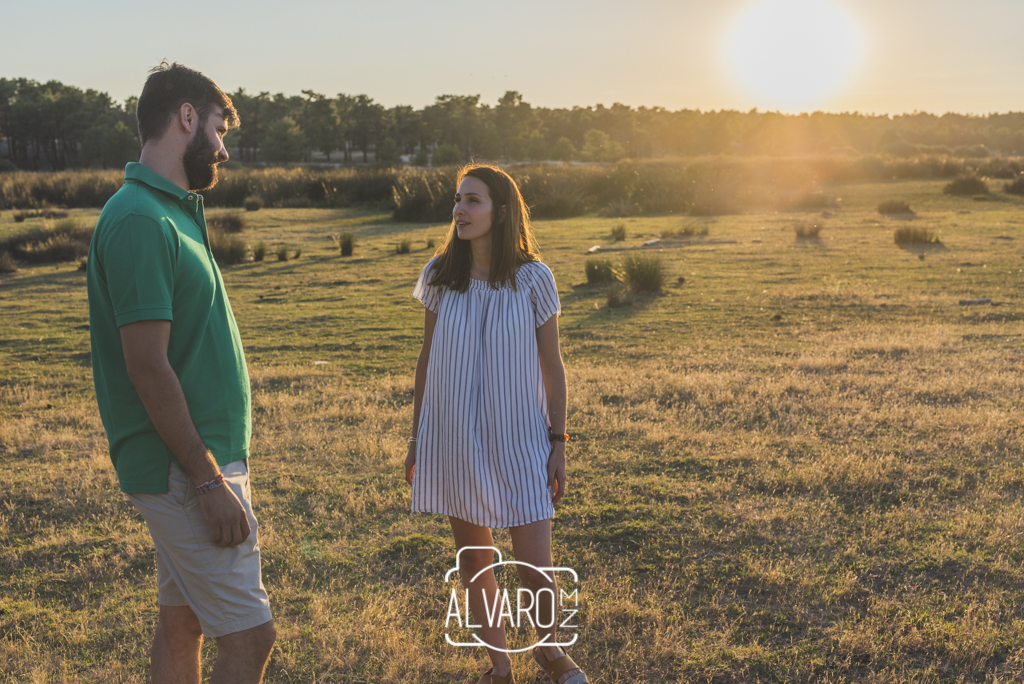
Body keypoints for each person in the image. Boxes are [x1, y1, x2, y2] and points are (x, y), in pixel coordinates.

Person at [86, 62, 276, 683]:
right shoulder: (142, 218)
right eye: (219, 128)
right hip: (186, 467)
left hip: (195, 460)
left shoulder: (171, 209)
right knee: (250, 637)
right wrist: (206, 480)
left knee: (184, 620)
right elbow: (146, 366)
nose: (222, 147)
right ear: (186, 118)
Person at [405, 164, 589, 684]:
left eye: (474, 201)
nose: (460, 210)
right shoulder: (440, 274)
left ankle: (551, 652)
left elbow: (552, 367)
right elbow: (426, 359)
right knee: (475, 559)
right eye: (458, 201)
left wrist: (559, 442)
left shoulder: (534, 278)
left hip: (522, 439)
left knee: (535, 566)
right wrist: (417, 438)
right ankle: (499, 668)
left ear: (501, 211)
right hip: (455, 437)